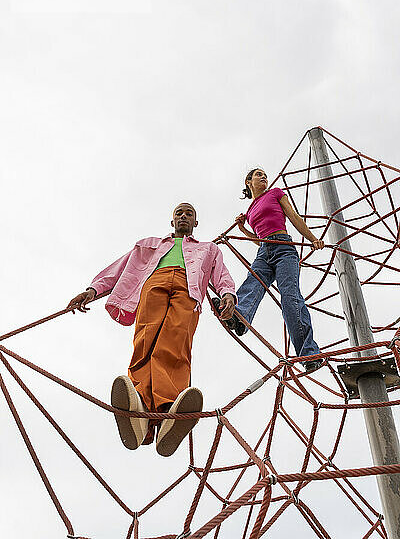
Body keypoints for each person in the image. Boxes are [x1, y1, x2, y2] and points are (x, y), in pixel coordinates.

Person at [67, 203, 236, 456]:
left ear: (195, 223)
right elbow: (120, 268)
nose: (183, 217)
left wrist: (227, 294)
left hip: (188, 289)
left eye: (189, 214)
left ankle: (168, 409)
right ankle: (140, 410)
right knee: (146, 339)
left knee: (175, 340)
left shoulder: (208, 249)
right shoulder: (150, 244)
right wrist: (93, 290)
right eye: (179, 213)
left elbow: (220, 274)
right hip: (154, 282)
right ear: (172, 221)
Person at [224, 169, 324, 372]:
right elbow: (259, 239)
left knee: (290, 298)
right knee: (252, 283)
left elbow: (293, 216)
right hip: (264, 251)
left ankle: (309, 354)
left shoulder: (276, 193)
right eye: (258, 175)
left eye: (265, 175)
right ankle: (240, 318)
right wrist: (243, 229)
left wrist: (312, 238)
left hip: (284, 247)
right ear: (248, 181)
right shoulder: (250, 209)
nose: (264, 177)